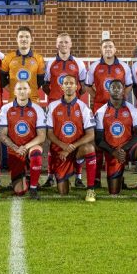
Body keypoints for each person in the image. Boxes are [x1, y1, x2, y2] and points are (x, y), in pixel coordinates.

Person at [94, 80, 137, 202]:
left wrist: (124, 149)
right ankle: (120, 178)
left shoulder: (132, 109)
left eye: (119, 87)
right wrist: (113, 152)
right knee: (114, 192)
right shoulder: (101, 112)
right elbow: (99, 139)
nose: (116, 89)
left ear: (124, 90)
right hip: (113, 153)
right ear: (109, 90)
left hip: (129, 149)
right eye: (113, 87)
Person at [83, 38, 133, 189]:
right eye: (105, 47)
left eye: (110, 46)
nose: (108, 49)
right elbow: (87, 86)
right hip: (100, 108)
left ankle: (120, 177)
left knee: (119, 141)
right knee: (98, 144)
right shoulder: (94, 66)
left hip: (119, 108)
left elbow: (129, 86)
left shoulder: (124, 66)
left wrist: (121, 98)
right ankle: (96, 178)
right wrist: (98, 96)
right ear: (101, 50)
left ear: (115, 49)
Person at [42, 33, 88, 188]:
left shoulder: (79, 63)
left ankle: (79, 177)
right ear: (56, 45)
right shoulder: (49, 63)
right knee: (52, 140)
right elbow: (46, 85)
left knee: (75, 137)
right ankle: (49, 176)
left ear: (71, 44)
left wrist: (72, 98)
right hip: (55, 106)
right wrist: (56, 98)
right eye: (60, 42)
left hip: (73, 107)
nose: (63, 44)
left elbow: (81, 85)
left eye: (66, 42)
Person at [46, 75, 97, 202]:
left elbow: (91, 134)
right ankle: (66, 176)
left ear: (76, 86)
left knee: (89, 148)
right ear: (62, 87)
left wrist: (70, 148)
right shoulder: (52, 106)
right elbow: (49, 133)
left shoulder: (83, 107)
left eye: (71, 83)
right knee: (63, 192)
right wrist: (63, 146)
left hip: (76, 150)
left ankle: (91, 189)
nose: (69, 85)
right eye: (66, 83)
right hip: (60, 152)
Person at [0, 81, 46, 199]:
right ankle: (27, 177)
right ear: (14, 91)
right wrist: (15, 148)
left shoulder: (37, 109)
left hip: (31, 147)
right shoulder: (5, 109)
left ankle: (34, 189)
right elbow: (2, 135)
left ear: (30, 91)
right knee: (19, 191)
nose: (22, 91)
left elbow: (42, 136)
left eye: (25, 88)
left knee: (36, 154)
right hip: (14, 151)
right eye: (19, 89)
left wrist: (25, 147)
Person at [0, 26, 45, 103]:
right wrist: (13, 89)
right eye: (21, 37)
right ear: (17, 39)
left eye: (27, 37)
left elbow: (40, 81)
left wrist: (29, 90)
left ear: (31, 39)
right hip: (13, 101)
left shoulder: (39, 58)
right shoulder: (9, 57)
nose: (24, 39)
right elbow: (2, 79)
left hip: (33, 101)